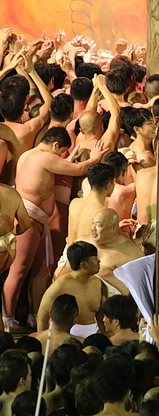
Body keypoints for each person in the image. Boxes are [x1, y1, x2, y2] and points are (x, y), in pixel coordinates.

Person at [7, 128, 106, 331]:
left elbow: (60, 166)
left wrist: (70, 158)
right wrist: (94, 157)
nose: (61, 156)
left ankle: (35, 317)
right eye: (61, 152)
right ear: (54, 146)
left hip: (36, 220)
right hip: (29, 219)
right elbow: (79, 171)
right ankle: (7, 320)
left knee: (40, 271)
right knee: (19, 271)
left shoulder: (29, 154)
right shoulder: (44, 157)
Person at [36, 241, 106, 336]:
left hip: (93, 335)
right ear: (83, 265)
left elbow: (101, 317)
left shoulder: (99, 283)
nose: (99, 261)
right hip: (66, 336)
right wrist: (44, 343)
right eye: (95, 259)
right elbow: (42, 318)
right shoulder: (60, 285)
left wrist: (104, 336)